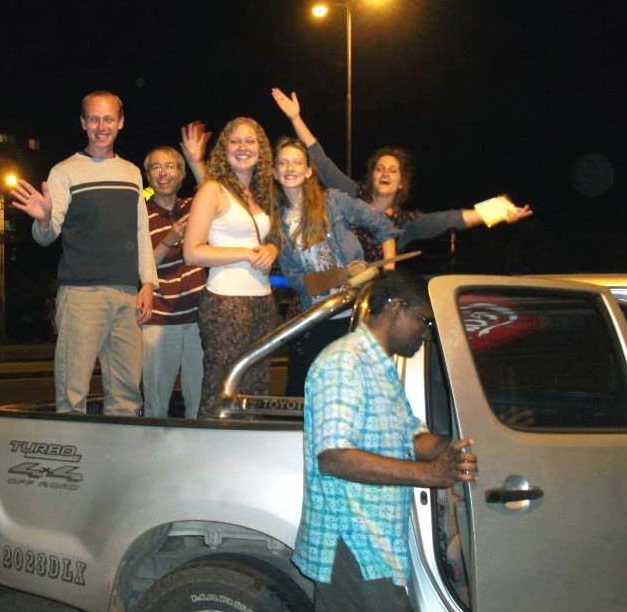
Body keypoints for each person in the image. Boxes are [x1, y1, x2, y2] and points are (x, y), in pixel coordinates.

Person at [292, 270, 478, 612]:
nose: (425, 333)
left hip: (375, 541)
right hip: (350, 538)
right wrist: (428, 475)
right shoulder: (344, 362)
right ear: (394, 307)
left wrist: (453, 449)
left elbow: (412, 437)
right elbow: (333, 457)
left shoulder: (380, 368)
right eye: (422, 320)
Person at [10, 90, 157, 415]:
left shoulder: (132, 173)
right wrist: (45, 218)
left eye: (108, 118)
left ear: (120, 122)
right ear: (82, 123)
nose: (101, 126)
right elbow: (46, 237)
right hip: (81, 295)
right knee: (72, 395)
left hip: (126, 296)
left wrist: (147, 282)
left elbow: (141, 231)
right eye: (93, 118)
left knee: (128, 397)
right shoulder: (64, 171)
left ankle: (118, 461)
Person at [271, 88, 533, 262]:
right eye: (380, 168)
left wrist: (501, 211)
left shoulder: (406, 224)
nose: (385, 173)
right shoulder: (350, 195)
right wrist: (296, 118)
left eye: (392, 170)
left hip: (371, 301)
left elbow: (454, 219)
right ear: (371, 175)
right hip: (332, 289)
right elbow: (321, 160)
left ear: (401, 183)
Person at [273, 136, 399, 396]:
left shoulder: (334, 200)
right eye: (283, 163)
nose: (290, 168)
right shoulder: (276, 221)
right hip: (316, 316)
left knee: (351, 391)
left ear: (309, 171)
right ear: (275, 172)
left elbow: (384, 226)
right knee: (308, 391)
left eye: (297, 162)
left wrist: (387, 275)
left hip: (353, 314)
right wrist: (330, 279)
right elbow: (295, 278)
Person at [183, 117, 279, 417]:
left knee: (254, 389)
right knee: (222, 389)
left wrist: (272, 248)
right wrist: (247, 254)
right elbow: (192, 252)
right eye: (235, 141)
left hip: (263, 302)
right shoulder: (212, 189)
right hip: (226, 304)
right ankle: (209, 456)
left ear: (261, 150)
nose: (242, 147)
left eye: (250, 141)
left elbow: (272, 238)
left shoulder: (261, 193)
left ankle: (245, 457)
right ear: (223, 149)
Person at [141, 129, 210, 418]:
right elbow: (140, 266)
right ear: (148, 176)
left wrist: (197, 160)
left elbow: (217, 193)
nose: (164, 173)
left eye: (171, 166)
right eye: (156, 167)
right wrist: (171, 237)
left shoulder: (195, 208)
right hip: (159, 321)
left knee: (199, 402)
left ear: (182, 174)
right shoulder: (140, 215)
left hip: (198, 320)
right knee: (156, 404)